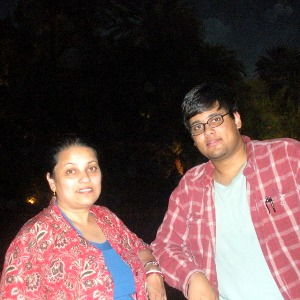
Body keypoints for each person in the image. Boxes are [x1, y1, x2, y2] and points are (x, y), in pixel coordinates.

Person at [151, 83, 300, 300]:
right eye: (197, 126)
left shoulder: (286, 157)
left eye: (215, 119)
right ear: (193, 139)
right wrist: (192, 276)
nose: (207, 130)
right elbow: (165, 246)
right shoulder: (190, 186)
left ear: (237, 119)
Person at [0, 137, 166, 300]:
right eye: (71, 171)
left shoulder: (105, 217)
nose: (86, 178)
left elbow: (140, 248)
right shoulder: (34, 236)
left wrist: (152, 271)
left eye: (92, 168)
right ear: (52, 181)